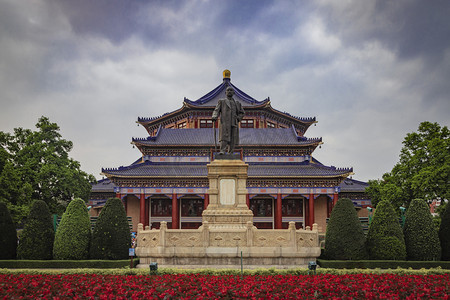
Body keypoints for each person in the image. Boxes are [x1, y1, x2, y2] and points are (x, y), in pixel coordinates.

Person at [212, 87, 245, 154]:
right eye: (228, 90)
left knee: (233, 138)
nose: (229, 91)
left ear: (233, 93)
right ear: (225, 93)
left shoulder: (237, 103)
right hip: (225, 122)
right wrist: (214, 116)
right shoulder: (222, 101)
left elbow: (242, 113)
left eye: (231, 90)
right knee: (224, 137)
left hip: (234, 122)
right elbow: (216, 110)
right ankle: (222, 151)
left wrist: (238, 118)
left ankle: (231, 152)